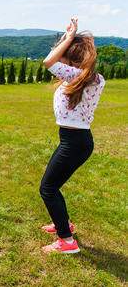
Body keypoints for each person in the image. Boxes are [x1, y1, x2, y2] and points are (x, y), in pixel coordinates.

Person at [39, 18, 105, 254]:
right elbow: (54, 61)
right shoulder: (91, 78)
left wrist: (67, 39)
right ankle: (64, 225)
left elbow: (48, 62)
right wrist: (67, 42)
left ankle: (66, 241)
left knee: (47, 189)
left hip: (74, 142)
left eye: (62, 51)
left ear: (70, 57)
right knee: (53, 187)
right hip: (76, 141)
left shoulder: (79, 77)